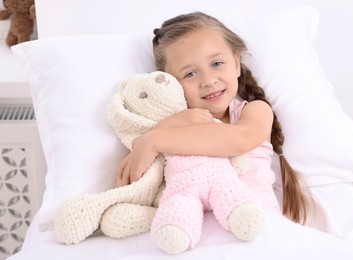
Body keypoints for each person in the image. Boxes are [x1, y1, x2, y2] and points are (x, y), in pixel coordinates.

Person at [116, 11, 310, 224]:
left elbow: (239, 140)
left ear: (237, 63)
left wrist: (154, 140)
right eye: (190, 74)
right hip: (192, 236)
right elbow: (130, 188)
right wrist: (161, 131)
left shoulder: (254, 111)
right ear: (171, 83)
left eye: (217, 64)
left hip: (255, 227)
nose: (208, 80)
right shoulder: (167, 127)